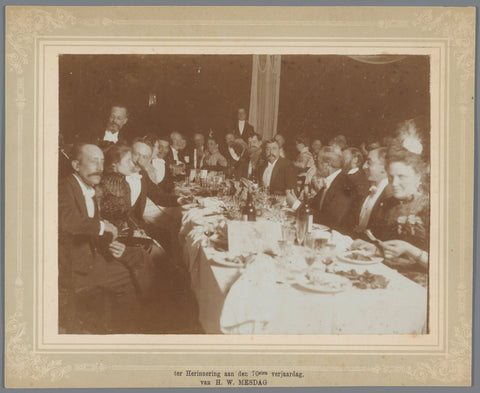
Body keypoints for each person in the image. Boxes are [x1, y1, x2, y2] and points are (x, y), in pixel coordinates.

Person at [58, 143, 141, 333]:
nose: (99, 167)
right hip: (72, 269)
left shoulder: (88, 186)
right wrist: (103, 226)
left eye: (102, 161)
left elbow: (89, 230)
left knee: (129, 268)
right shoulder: (65, 187)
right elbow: (66, 221)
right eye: (93, 161)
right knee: (127, 276)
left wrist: (110, 243)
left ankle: (123, 330)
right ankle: (128, 332)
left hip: (90, 258)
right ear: (76, 165)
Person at [308, 146, 355, 231]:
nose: (315, 166)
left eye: (317, 162)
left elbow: (331, 219)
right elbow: (312, 205)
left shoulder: (344, 184)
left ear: (327, 164)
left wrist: (296, 205)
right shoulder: (331, 180)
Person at [354, 147, 391, 234]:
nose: (364, 166)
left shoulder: (389, 195)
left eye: (369, 162)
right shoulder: (369, 188)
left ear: (384, 168)